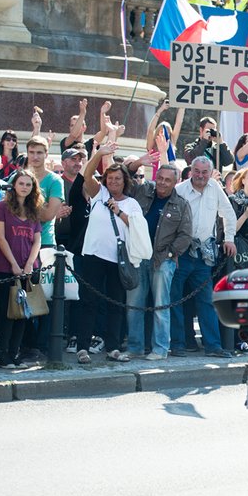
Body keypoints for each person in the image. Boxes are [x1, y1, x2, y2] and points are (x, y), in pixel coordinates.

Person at [74, 143, 143, 364]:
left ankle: (113, 347)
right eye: (110, 178)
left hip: (118, 259)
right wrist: (99, 154)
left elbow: (136, 228)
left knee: (115, 303)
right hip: (93, 255)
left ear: (125, 181)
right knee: (89, 302)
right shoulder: (99, 193)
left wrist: (119, 211)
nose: (113, 182)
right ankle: (83, 347)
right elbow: (86, 175)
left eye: (118, 179)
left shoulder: (132, 203)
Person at [171, 155, 237, 357]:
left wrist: (229, 238)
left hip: (204, 254)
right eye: (197, 171)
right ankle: (177, 345)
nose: (200, 176)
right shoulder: (179, 190)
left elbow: (228, 213)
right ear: (191, 171)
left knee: (206, 301)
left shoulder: (215, 188)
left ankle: (213, 346)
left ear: (210, 173)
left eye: (204, 172)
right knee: (175, 300)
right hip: (180, 253)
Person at [127, 164, 193, 361]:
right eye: (160, 178)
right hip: (138, 257)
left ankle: (160, 348)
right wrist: (135, 163)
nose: (162, 183)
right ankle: (135, 347)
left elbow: (185, 235)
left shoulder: (181, 204)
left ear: (175, 182)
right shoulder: (142, 191)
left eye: (167, 180)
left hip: (162, 260)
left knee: (161, 305)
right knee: (134, 304)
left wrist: (171, 253)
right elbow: (124, 179)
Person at [0, 169, 44, 369]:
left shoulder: (33, 210)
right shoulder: (2, 207)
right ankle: (3, 356)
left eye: (28, 184)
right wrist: (13, 264)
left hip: (28, 269)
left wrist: (30, 263)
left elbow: (37, 239)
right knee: (7, 313)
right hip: (6, 268)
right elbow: (0, 237)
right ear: (14, 185)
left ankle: (15, 354)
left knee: (23, 314)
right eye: (21, 183)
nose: (24, 187)